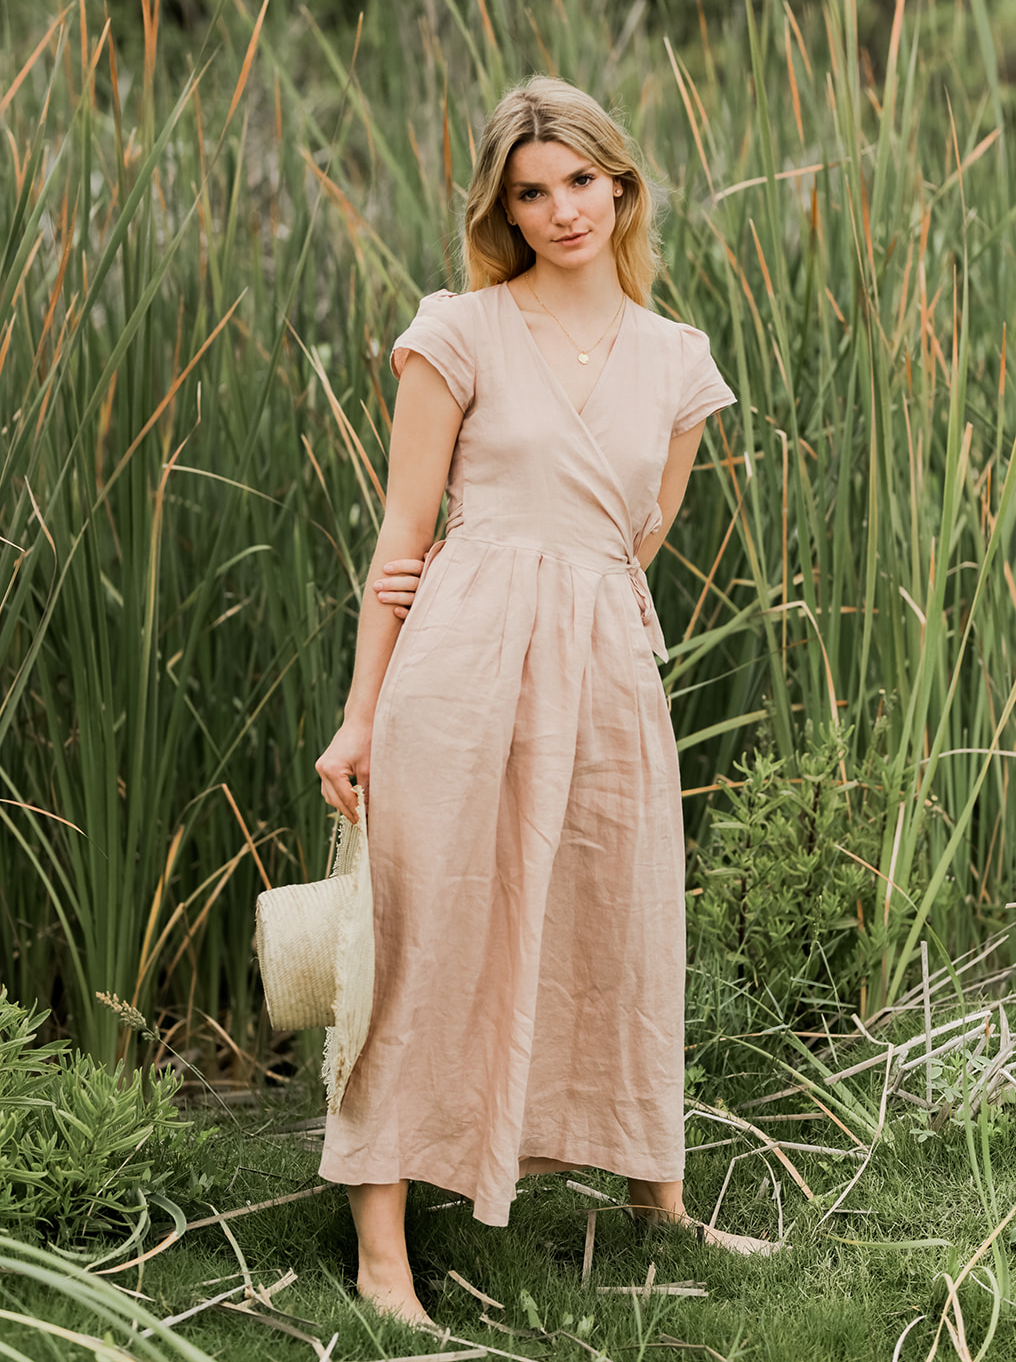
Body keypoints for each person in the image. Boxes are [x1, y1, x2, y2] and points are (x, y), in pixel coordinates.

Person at [315, 76, 761, 1331]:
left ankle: (655, 1196)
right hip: (460, 660)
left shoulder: (679, 360)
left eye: (581, 180)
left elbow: (640, 535)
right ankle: (382, 1249)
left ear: (620, 183)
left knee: (619, 919)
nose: (562, 207)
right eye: (531, 190)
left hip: (608, 662)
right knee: (427, 930)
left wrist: (587, 631)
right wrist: (359, 716)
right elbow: (401, 544)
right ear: (502, 209)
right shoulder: (455, 331)